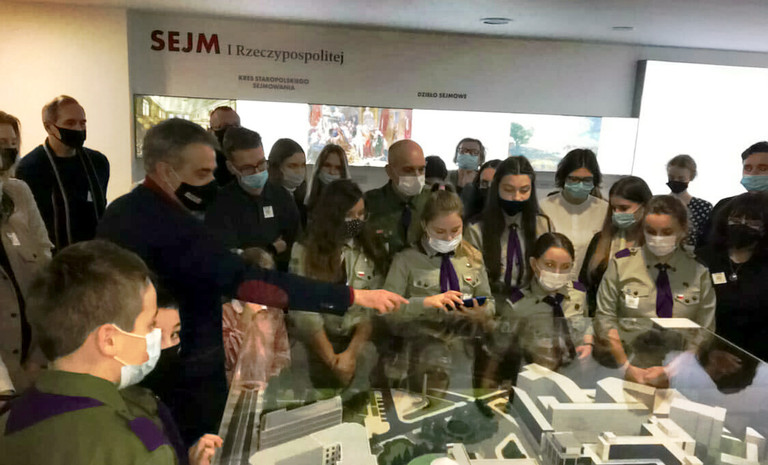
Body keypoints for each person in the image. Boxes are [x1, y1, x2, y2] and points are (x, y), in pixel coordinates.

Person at [96, 119, 406, 444]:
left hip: (191, 359)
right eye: (202, 174)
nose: (211, 183)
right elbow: (244, 279)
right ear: (165, 170)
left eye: (212, 172)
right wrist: (349, 297)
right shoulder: (140, 220)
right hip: (163, 367)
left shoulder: (167, 212)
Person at [0, 240, 222, 465]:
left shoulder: (9, 420)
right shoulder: (137, 449)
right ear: (109, 340)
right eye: (149, 325)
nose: (153, 337)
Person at [595, 195, 716, 385]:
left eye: (667, 232)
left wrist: (671, 370)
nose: (658, 238)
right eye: (651, 231)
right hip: (627, 363)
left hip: (679, 370)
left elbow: (705, 330)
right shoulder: (622, 264)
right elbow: (605, 317)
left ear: (683, 230)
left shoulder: (698, 271)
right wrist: (626, 367)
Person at [289, 180, 388, 392]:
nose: (356, 221)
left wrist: (350, 354)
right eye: (349, 215)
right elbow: (303, 310)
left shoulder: (371, 248)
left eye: (361, 214)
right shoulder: (305, 250)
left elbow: (372, 308)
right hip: (315, 342)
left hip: (358, 341)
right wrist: (332, 359)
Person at [0, 111, 53, 393]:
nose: (8, 151)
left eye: (12, 143)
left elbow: (44, 260)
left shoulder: (19, 192)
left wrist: (39, 357)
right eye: (0, 143)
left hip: (31, 357)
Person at [384, 187, 493, 320]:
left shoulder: (472, 256)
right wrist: (426, 303)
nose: (448, 238)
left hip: (466, 329)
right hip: (421, 330)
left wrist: (481, 312)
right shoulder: (405, 260)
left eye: (455, 230)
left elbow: (489, 301)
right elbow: (388, 307)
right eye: (440, 232)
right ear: (424, 225)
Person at [16, 95, 109, 251]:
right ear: (49, 127)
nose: (78, 129)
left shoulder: (98, 162)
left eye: (82, 123)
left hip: (95, 255)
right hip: (52, 258)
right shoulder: (30, 168)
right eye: (70, 123)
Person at [491, 233, 591, 373]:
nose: (557, 273)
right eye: (550, 265)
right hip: (534, 374)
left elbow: (585, 325)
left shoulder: (578, 294)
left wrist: (588, 343)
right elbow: (498, 352)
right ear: (534, 264)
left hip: (575, 372)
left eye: (565, 266)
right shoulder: (517, 305)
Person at [204, 127, 300, 271]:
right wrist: (271, 249)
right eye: (247, 168)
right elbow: (228, 257)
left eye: (261, 163)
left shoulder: (282, 197)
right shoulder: (220, 205)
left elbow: (295, 243)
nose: (257, 172)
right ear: (231, 167)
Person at [466, 157, 551, 304]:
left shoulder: (542, 224)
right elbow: (470, 276)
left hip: (531, 301)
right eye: (508, 190)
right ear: (496, 188)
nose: (517, 197)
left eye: (524, 190)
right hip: (489, 301)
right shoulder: (476, 228)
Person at [697, 192, 768, 361]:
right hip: (704, 354)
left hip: (759, 358)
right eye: (736, 219)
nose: (742, 225)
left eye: (753, 222)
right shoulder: (702, 258)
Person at [580, 176, 653, 315]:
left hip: (641, 319)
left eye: (624, 208)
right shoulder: (601, 240)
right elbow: (584, 284)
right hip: (601, 317)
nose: (617, 213)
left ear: (644, 207)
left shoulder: (653, 245)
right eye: (613, 208)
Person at [539, 148, 608, 281]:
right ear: (563, 178)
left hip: (588, 284)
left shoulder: (604, 210)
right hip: (550, 280)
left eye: (587, 180)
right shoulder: (544, 207)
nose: (580, 185)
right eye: (574, 179)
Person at [365, 139, 430, 258]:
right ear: (390, 171)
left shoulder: (435, 200)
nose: (417, 176)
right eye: (408, 170)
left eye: (421, 169)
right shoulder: (369, 203)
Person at [700, 141, 768, 249]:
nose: (753, 173)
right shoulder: (724, 206)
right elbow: (704, 248)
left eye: (763, 168)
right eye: (748, 168)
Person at [666, 154, 712, 249]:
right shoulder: (657, 203)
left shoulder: (703, 207)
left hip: (689, 256)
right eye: (671, 177)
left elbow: (707, 241)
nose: (675, 181)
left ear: (691, 177)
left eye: (681, 178)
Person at [267, 138, 308, 227]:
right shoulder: (266, 199)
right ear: (276, 167)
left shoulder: (302, 197)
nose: (299, 171)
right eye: (292, 166)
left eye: (303, 165)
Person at [304, 143, 350, 215]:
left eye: (338, 168)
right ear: (319, 168)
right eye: (327, 165)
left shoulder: (351, 206)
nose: (331, 172)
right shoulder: (306, 204)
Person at [209, 106, 240, 186]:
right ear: (211, 131)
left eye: (236, 125)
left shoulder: (250, 156)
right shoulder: (204, 162)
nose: (232, 130)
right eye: (225, 126)